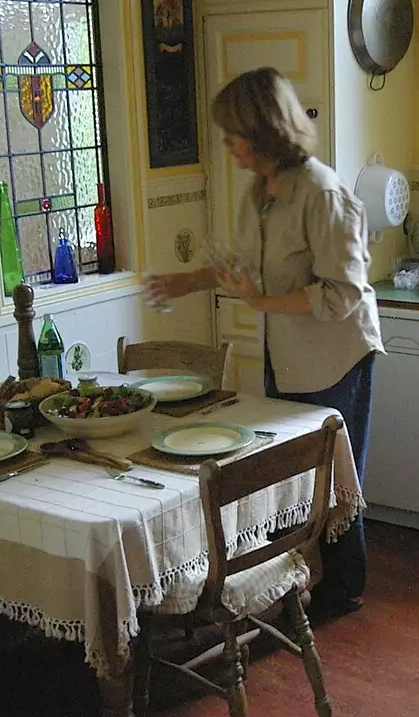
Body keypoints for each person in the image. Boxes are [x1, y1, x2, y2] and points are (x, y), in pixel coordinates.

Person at [145, 67, 383, 621]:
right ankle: (293, 580)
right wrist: (186, 282)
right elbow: (244, 267)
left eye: (232, 134)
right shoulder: (261, 192)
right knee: (295, 475)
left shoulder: (321, 193)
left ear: (263, 129)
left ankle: (342, 589)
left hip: (337, 357)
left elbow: (343, 293)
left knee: (330, 478)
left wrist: (263, 303)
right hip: (288, 352)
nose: (226, 145)